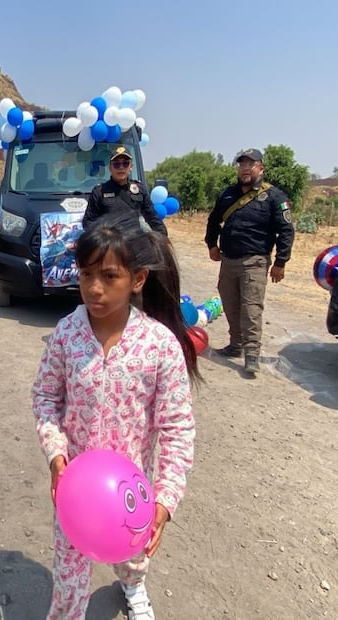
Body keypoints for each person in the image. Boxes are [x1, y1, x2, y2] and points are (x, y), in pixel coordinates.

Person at [33, 214, 198, 620]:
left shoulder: (159, 345)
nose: (93, 288)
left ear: (138, 279)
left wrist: (164, 499)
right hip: (73, 490)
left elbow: (177, 428)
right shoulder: (67, 334)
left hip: (130, 494)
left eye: (109, 276)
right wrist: (57, 455)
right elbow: (45, 397)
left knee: (133, 556)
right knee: (68, 579)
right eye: (86, 274)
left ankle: (133, 585)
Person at [205, 148, 294, 376]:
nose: (245, 168)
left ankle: (252, 354)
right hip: (228, 261)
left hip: (255, 262)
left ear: (260, 168)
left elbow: (286, 231)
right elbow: (213, 221)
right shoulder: (227, 195)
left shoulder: (275, 197)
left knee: (251, 309)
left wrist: (281, 262)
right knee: (230, 304)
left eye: (250, 164)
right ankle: (236, 345)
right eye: (241, 164)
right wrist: (212, 245)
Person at [82, 146, 167, 236]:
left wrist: (163, 237)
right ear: (110, 168)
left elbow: (152, 217)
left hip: (135, 240)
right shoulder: (99, 192)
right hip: (111, 244)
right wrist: (104, 234)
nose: (121, 168)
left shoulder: (140, 190)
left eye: (125, 164)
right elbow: (88, 222)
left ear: (131, 167)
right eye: (116, 164)